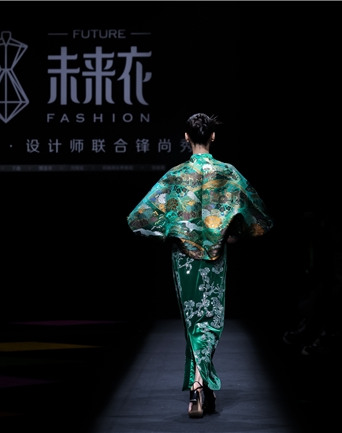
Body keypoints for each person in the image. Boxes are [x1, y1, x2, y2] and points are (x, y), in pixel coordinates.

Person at [126, 113, 274, 418]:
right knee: (209, 319)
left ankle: (198, 386)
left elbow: (138, 218)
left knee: (193, 320)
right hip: (215, 257)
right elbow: (260, 215)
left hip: (184, 257)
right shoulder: (227, 173)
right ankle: (200, 384)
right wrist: (232, 234)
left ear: (186, 137)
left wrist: (171, 231)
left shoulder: (175, 176)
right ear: (213, 137)